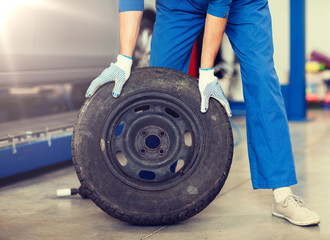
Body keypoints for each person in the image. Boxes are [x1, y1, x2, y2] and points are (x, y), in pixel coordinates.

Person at [85, 0, 320, 226]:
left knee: (262, 81)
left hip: (243, 5)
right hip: (177, 6)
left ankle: (282, 193)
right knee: (159, 86)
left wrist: (206, 72)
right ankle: (151, 181)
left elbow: (219, 4)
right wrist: (123, 60)